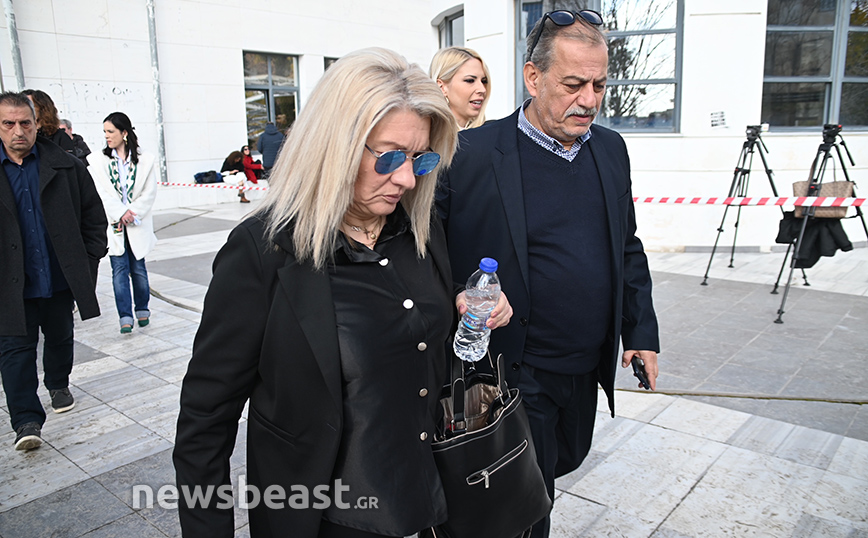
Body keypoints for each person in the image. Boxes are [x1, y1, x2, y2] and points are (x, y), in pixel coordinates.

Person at [174, 47, 512, 538]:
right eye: (389, 157)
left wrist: (467, 302)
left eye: (419, 159)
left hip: (429, 503)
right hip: (324, 520)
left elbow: (407, 314)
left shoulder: (418, 229)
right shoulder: (264, 252)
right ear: (335, 145)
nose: (405, 179)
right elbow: (205, 418)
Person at [435, 10, 660, 538]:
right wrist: (461, 295)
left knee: (559, 465)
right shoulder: (469, 154)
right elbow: (424, 252)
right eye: (573, 84)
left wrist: (640, 332)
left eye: (599, 85)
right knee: (525, 505)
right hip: (512, 372)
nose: (589, 100)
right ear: (533, 78)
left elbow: (627, 246)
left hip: (583, 371)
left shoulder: (611, 149)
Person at [0, 91, 107, 451]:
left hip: (57, 279)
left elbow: (94, 218)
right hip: (10, 285)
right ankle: (26, 420)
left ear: (37, 123)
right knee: (15, 351)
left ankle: (58, 382)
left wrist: (87, 263)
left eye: (25, 123)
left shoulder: (66, 166)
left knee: (60, 338)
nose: (18, 131)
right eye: (8, 124)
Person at [88, 112, 158, 334]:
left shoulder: (145, 160)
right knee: (119, 269)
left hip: (137, 221)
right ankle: (125, 317)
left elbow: (149, 192)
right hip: (114, 223)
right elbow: (100, 192)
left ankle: (143, 310)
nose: (107, 136)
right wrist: (120, 212)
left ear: (124, 133)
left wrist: (132, 212)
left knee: (138, 269)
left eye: (111, 131)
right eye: (105, 132)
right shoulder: (98, 161)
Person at [429, 46, 491, 129]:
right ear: (441, 87)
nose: (482, 89)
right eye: (470, 80)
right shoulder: (424, 133)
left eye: (484, 81)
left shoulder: (493, 132)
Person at [22, 89, 75, 154]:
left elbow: (69, 159)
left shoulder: (60, 137)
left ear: (42, 108)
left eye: (30, 106)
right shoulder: (19, 136)